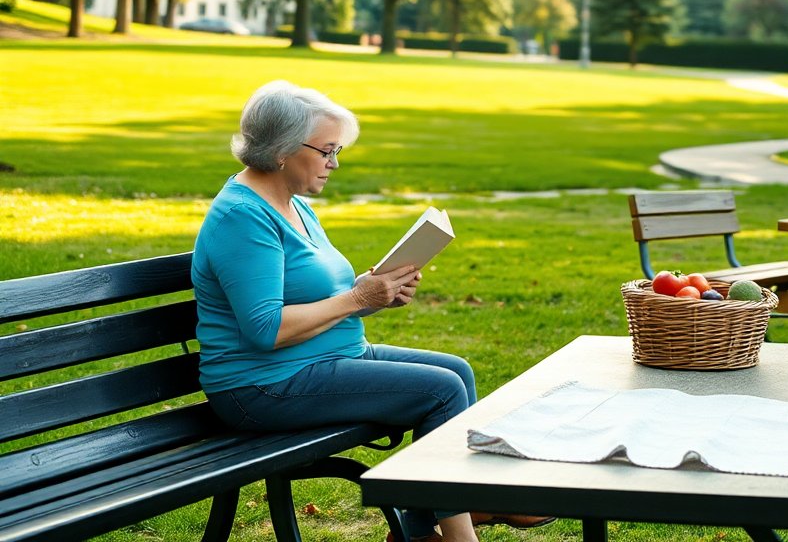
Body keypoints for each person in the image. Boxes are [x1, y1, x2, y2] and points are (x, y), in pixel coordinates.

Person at [191, 81, 553, 542]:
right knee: (440, 391)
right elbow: (267, 330)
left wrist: (376, 291)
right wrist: (358, 299)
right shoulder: (244, 218)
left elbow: (318, 296)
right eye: (327, 151)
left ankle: (430, 523)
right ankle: (459, 532)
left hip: (321, 361)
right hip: (262, 385)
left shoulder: (294, 203)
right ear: (282, 149)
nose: (334, 163)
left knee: (455, 371)